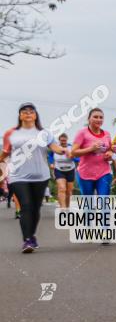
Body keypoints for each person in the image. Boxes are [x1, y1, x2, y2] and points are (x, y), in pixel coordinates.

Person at [0, 103, 68, 252]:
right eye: (24, 111)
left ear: (36, 115)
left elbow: (54, 147)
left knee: (35, 208)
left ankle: (32, 235)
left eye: (31, 111)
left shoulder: (45, 133)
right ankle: (27, 240)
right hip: (18, 176)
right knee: (26, 206)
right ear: (20, 116)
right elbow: (5, 152)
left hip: (40, 176)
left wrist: (63, 150)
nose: (28, 113)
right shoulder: (10, 133)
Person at [71, 108, 116, 243]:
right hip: (85, 173)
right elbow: (74, 152)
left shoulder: (107, 134)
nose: (98, 120)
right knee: (89, 204)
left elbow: (110, 152)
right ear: (89, 119)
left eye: (101, 117)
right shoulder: (82, 133)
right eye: (95, 117)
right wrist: (91, 149)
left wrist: (110, 153)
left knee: (104, 202)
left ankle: (105, 231)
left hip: (104, 173)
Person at [49, 133, 77, 209]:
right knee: (62, 188)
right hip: (59, 170)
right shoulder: (56, 147)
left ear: (67, 140)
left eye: (64, 140)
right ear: (59, 140)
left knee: (68, 192)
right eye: (62, 140)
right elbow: (50, 155)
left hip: (70, 170)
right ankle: (63, 208)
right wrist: (51, 163)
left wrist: (72, 157)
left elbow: (78, 158)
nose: (63, 142)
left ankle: (67, 208)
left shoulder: (71, 147)